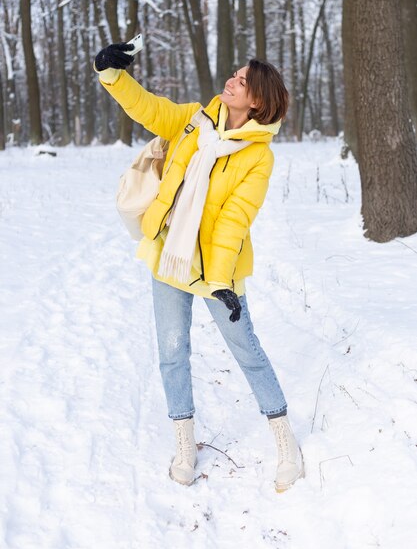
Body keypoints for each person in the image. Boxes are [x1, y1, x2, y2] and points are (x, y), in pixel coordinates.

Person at [94, 42, 304, 493]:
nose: (231, 80)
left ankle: (286, 443)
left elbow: (233, 221)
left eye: (242, 80)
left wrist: (221, 282)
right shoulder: (194, 119)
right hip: (169, 255)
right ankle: (185, 445)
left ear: (258, 101)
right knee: (172, 352)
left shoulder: (258, 156)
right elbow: (149, 109)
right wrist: (113, 75)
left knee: (246, 350)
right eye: (234, 73)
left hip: (217, 271)